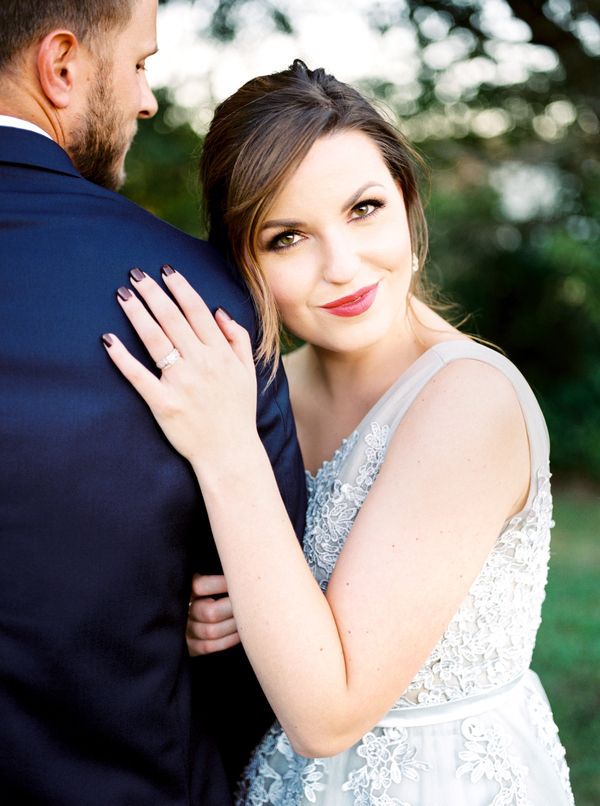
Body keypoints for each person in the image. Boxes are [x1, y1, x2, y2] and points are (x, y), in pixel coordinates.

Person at [103, 61, 575, 804]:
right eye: (287, 237)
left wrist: (227, 451)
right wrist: (234, 612)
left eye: (364, 209)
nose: (344, 266)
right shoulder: (266, 393)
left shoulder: (469, 401)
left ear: (407, 201)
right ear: (242, 260)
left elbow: (329, 717)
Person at [0, 2, 306, 802]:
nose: (147, 100)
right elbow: (259, 653)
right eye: (140, 64)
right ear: (61, 67)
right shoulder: (200, 303)